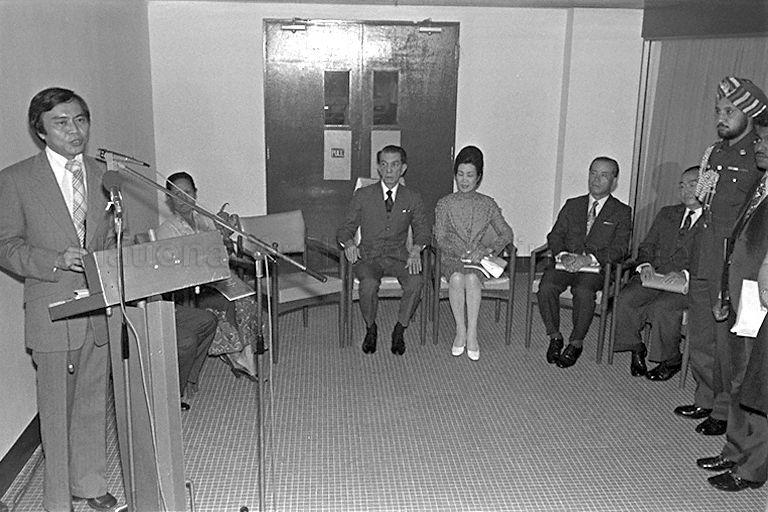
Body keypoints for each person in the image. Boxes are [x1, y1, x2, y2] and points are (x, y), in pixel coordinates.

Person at [0, 88, 118, 511]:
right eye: (62, 123)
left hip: (97, 308)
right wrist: (54, 260)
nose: (75, 130)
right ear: (41, 131)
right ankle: (55, 500)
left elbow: (110, 238)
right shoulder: (15, 180)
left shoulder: (105, 174)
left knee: (90, 401)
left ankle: (89, 485)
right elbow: (5, 245)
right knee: (55, 410)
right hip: (52, 310)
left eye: (81, 119)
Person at [675, 77, 766, 437]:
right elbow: (703, 202)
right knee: (701, 331)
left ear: (751, 113)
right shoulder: (714, 152)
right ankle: (706, 396)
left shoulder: (757, 156)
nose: (721, 117)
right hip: (706, 251)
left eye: (730, 111)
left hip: (736, 259)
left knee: (728, 341)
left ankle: (726, 409)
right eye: (719, 111)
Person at [696, 114, 768, 491]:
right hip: (744, 294)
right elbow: (737, 241)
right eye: (759, 139)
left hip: (763, 299)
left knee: (758, 384)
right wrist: (726, 288)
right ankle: (735, 449)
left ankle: (753, 467)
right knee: (741, 377)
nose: (759, 144)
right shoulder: (762, 183)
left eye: (766, 140)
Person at [157, 171, 258, 382]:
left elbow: (224, 253)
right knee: (221, 307)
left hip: (219, 277)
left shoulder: (206, 220)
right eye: (176, 193)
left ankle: (246, 355)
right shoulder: (166, 230)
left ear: (195, 193)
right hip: (192, 287)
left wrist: (225, 237)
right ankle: (236, 357)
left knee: (246, 300)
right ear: (169, 198)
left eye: (187, 192)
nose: (183, 198)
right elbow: (174, 269)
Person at [537, 156, 632, 368]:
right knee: (547, 287)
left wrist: (587, 258)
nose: (596, 180)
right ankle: (555, 336)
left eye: (603, 175)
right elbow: (555, 236)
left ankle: (576, 342)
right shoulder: (573, 205)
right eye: (593, 173)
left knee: (583, 292)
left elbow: (620, 248)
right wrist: (563, 255)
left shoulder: (622, 212)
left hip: (596, 268)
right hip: (566, 263)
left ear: (614, 182)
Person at [337, 145, 430, 355]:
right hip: (369, 256)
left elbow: (423, 230)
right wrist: (350, 244)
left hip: (399, 256)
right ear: (378, 168)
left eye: (395, 165)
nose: (389, 171)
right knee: (368, 285)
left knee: (416, 281)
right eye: (384, 165)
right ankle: (371, 328)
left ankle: (400, 329)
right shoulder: (363, 195)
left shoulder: (412, 197)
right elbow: (344, 229)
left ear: (403, 168)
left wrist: (416, 249)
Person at [612, 167, 702, 380]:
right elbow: (647, 245)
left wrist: (685, 274)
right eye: (682, 186)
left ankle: (671, 360)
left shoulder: (713, 221)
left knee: (663, 308)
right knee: (626, 298)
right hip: (656, 276)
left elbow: (714, 261)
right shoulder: (667, 213)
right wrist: (645, 265)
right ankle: (636, 347)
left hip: (687, 283)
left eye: (692, 184)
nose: (686, 191)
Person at [434, 146, 514, 361]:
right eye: (460, 174)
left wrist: (487, 250)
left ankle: (472, 333)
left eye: (470, 175)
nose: (464, 180)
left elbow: (506, 233)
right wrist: (462, 251)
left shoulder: (487, 204)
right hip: (452, 258)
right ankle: (460, 330)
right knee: (458, 277)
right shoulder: (445, 204)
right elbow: (440, 238)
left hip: (479, 262)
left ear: (478, 177)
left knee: (470, 277)